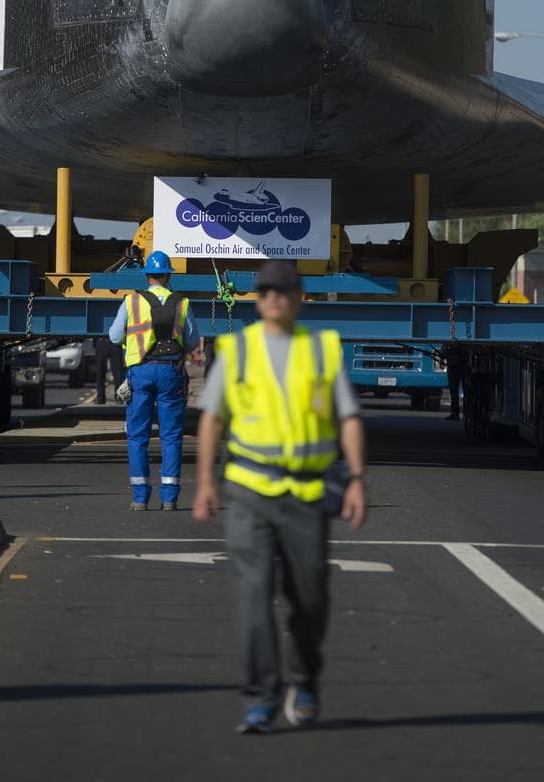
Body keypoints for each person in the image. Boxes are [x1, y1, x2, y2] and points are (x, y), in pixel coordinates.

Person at [193, 260, 366, 734]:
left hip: (307, 493)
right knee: (252, 598)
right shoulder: (238, 350)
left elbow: (348, 417)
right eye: (266, 291)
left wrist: (355, 478)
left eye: (283, 291)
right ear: (257, 298)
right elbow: (212, 418)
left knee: (310, 598)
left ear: (299, 298)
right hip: (248, 489)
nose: (274, 298)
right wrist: (205, 481)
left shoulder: (321, 350)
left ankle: (304, 679)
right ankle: (260, 698)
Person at [108, 250, 199, 511]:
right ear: (169, 275)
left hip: (142, 371)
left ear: (147, 275)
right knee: (171, 436)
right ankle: (169, 498)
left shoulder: (132, 302)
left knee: (138, 435)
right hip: (170, 371)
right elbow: (193, 341)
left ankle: (140, 498)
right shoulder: (182, 303)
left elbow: (115, 336)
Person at [93, 334, 124, 405]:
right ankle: (100, 396)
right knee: (100, 371)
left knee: (118, 372)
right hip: (102, 339)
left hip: (116, 341)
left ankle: (118, 396)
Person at [445, 349, 467, 421]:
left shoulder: (450, 344)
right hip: (462, 366)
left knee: (454, 392)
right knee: (464, 392)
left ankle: (455, 413)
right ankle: (464, 413)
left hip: (454, 366)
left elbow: (444, 348)